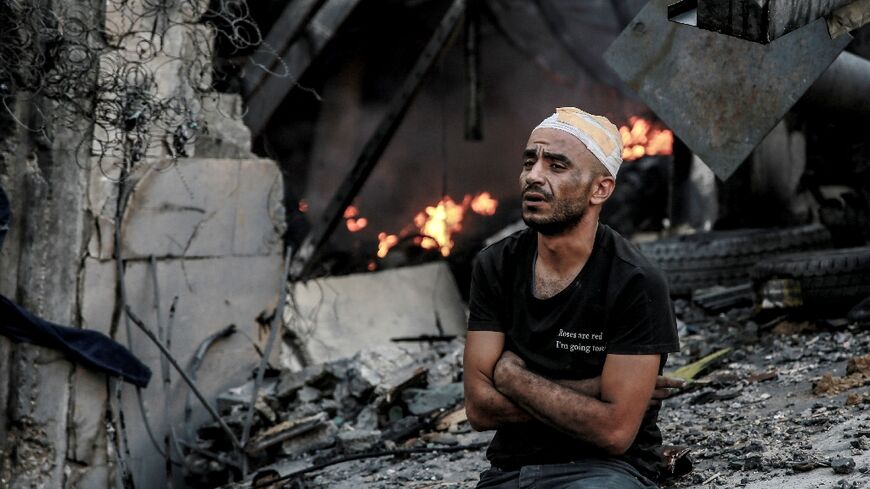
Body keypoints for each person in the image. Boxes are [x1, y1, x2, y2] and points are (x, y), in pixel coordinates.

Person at [463, 107, 682, 488]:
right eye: (530, 161)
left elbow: (614, 431)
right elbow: (479, 409)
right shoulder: (495, 265)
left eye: (556, 166)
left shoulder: (635, 281)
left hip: (606, 472)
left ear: (601, 188)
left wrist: (512, 378)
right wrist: (592, 391)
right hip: (509, 473)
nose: (534, 176)